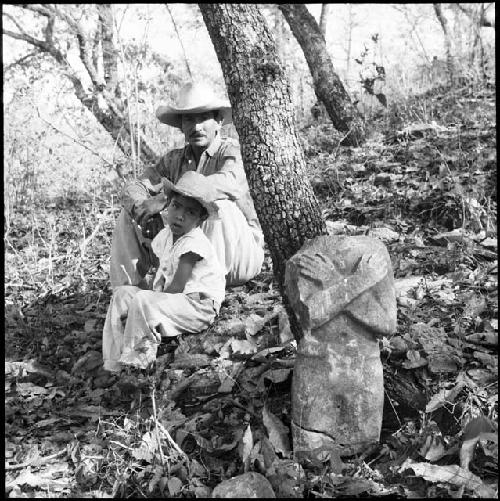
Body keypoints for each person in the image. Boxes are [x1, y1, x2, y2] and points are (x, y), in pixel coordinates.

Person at [110, 81, 265, 289]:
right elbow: (133, 188)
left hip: (237, 257)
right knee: (127, 216)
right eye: (189, 119)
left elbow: (229, 183)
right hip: (185, 257)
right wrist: (144, 210)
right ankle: (128, 294)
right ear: (181, 126)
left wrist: (165, 199)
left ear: (218, 121)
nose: (196, 127)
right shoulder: (174, 160)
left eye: (203, 118)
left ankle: (203, 294)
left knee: (220, 206)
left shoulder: (232, 152)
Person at [102, 171, 226, 373]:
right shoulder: (166, 234)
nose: (180, 216)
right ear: (168, 205)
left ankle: (138, 363)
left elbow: (176, 287)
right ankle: (114, 362)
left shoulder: (193, 245)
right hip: (174, 301)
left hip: (197, 306)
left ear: (201, 219)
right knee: (122, 294)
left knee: (142, 301)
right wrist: (141, 291)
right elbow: (160, 273)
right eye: (176, 206)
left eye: (190, 212)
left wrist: (143, 300)